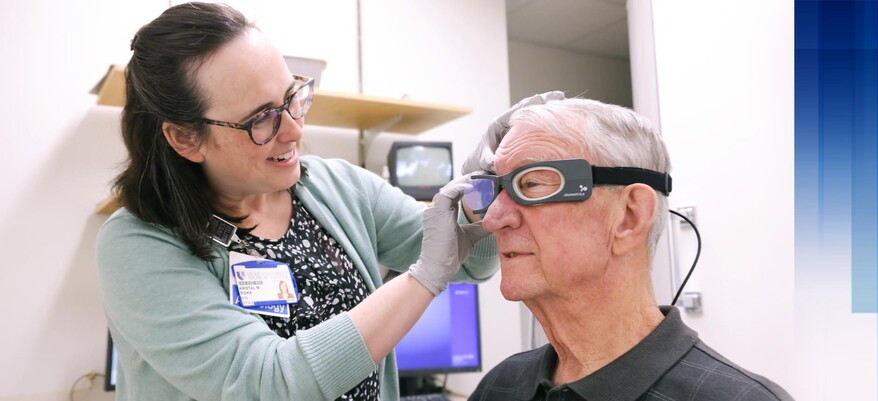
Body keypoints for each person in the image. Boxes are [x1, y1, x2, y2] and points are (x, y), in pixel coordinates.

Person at [96, 3, 497, 400]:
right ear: (185, 138)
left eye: (293, 98)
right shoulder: (139, 243)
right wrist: (422, 279)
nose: (293, 131)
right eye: (260, 120)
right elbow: (267, 383)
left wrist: (493, 182)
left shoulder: (339, 187)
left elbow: (471, 257)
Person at [462, 96, 794, 401]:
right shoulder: (499, 386)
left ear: (629, 216)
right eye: (493, 190)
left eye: (531, 183)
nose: (493, 219)